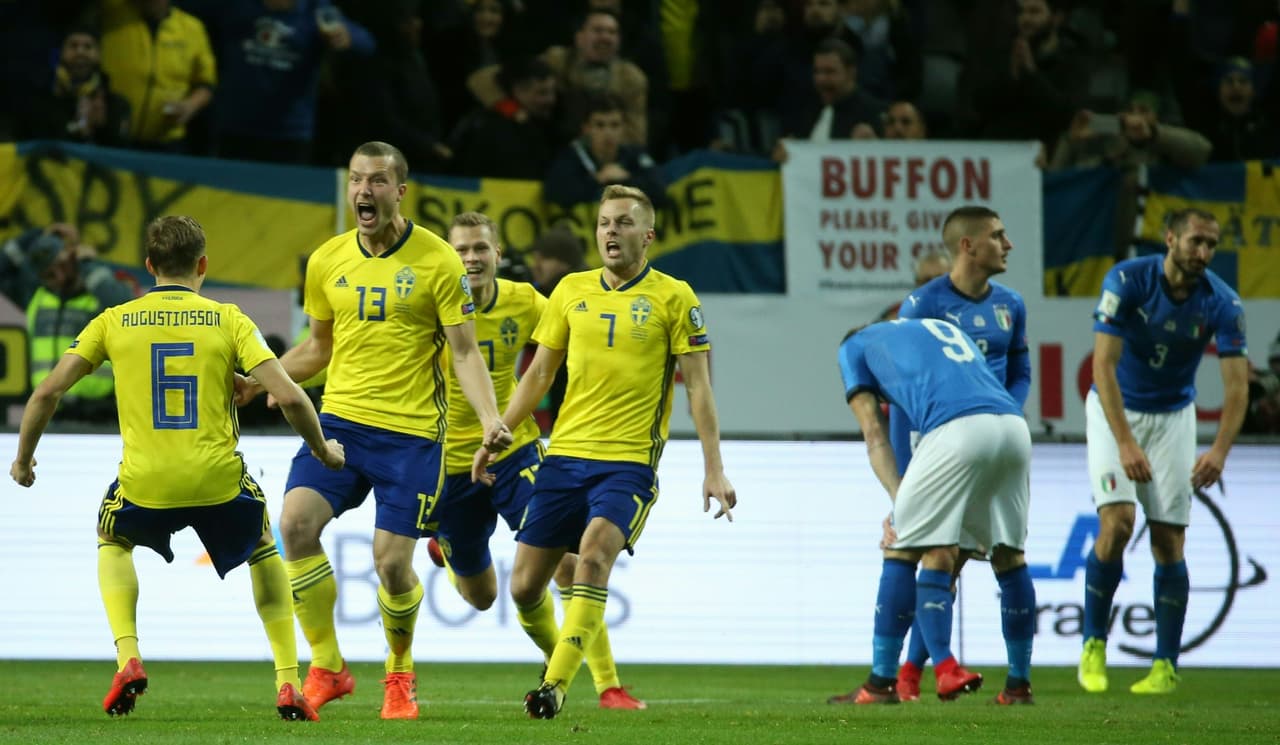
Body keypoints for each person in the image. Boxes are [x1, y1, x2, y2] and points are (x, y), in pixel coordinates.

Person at [8, 215, 345, 721]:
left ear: (149, 267)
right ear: (203, 265)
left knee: (112, 539)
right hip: (217, 480)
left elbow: (46, 393)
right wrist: (322, 449)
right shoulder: (228, 318)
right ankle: (287, 682)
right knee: (261, 546)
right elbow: (289, 396)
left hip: (146, 483)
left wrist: (22, 458)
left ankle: (128, 658)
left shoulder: (113, 320)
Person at [234, 141, 512, 720]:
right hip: (338, 424)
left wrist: (492, 421)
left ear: (400, 191)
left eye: (378, 181)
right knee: (294, 524)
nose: (364, 191)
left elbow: (464, 352)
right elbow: (319, 347)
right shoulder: (327, 259)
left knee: (390, 563)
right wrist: (265, 382)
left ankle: (399, 675)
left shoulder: (438, 261)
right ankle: (330, 667)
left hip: (411, 437)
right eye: (357, 180)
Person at [477, 184, 737, 719]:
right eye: (603, 223)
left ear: (648, 235)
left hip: (627, 464)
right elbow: (540, 373)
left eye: (622, 223)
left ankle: (554, 687)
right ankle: (565, 663)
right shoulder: (571, 291)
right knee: (526, 589)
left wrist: (715, 467)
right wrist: (499, 429)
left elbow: (699, 388)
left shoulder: (675, 297)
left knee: (593, 556)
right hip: (564, 457)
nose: (611, 232)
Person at [424, 211, 645, 710]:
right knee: (481, 597)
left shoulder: (524, 301)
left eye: (480, 248)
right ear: (447, 258)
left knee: (567, 562)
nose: (471, 259)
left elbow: (575, 333)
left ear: (499, 255)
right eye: (460, 250)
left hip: (513, 448)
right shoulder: (429, 304)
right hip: (448, 464)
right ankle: (448, 547)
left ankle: (604, 683)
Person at [864, 206, 1034, 704]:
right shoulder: (922, 305)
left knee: (931, 553)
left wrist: (1006, 407)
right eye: (999, 236)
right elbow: (901, 397)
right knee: (952, 558)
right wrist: (908, 472)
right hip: (938, 439)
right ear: (968, 245)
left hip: (988, 434)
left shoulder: (1012, 304)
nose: (1008, 244)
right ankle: (915, 676)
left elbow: (1020, 367)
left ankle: (895, 679)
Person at [1080, 207, 1248, 694]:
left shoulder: (1223, 302)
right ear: (1170, 239)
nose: (1204, 253)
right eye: (1196, 241)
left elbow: (1237, 387)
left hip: (1175, 416)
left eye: (1211, 245)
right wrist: (1126, 442)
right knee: (1117, 524)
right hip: (1115, 410)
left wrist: (1219, 451)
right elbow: (1103, 367)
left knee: (1169, 543)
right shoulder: (1127, 281)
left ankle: (1165, 666)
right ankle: (1093, 645)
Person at [834, 317, 1033, 705]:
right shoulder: (936, 328)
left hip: (958, 429)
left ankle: (882, 683)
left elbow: (875, 435)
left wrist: (899, 503)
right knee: (1009, 557)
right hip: (1013, 427)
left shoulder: (853, 347)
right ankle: (1018, 686)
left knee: (902, 547)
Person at [20, 224, 136, 423]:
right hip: (50, 413)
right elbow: (4, 267)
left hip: (98, 415)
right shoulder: (38, 296)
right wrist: (39, 235)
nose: (53, 278)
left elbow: (126, 306)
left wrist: (86, 263)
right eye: (47, 274)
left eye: (59, 267)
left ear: (71, 261)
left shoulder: (96, 293)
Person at [99, 0, 217, 152]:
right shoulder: (112, 13)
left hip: (167, 143)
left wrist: (189, 106)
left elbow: (206, 84)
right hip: (112, 137)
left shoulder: (192, 28)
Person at [544, 93, 667, 208]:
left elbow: (660, 192)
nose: (608, 133)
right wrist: (597, 180)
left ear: (624, 128)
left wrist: (626, 179)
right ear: (586, 129)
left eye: (614, 125)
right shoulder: (572, 157)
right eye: (600, 125)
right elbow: (554, 194)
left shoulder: (635, 155)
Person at [18, 26, 131, 146]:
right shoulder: (38, 102)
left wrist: (102, 128)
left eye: (88, 47)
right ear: (61, 53)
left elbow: (121, 154)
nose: (80, 52)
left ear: (99, 55)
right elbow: (33, 145)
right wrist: (76, 129)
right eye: (73, 46)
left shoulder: (116, 104)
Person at [875, 249, 949, 321]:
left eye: (939, 279)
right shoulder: (897, 316)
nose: (933, 285)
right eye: (926, 280)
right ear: (917, 283)